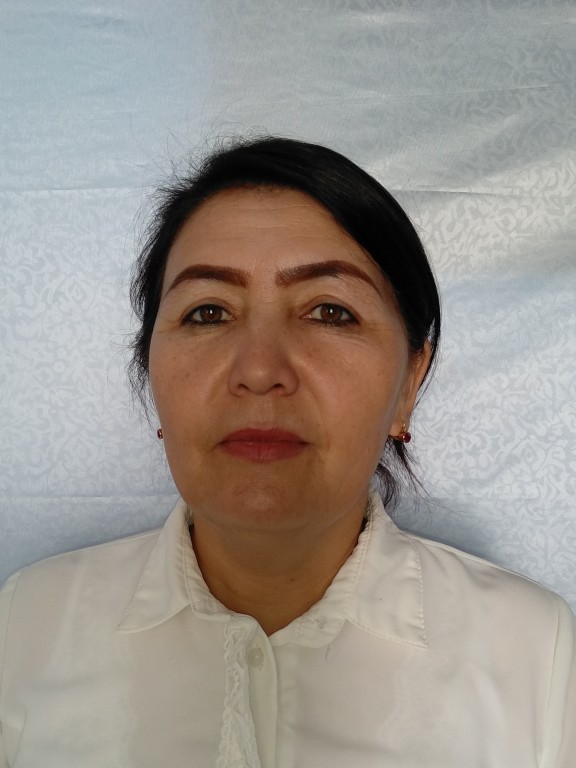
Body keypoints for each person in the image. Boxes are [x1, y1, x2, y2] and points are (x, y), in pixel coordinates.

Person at [0, 137, 574, 768]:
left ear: (409, 385)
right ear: (151, 375)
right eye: (208, 312)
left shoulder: (537, 654)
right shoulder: (28, 623)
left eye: (329, 312)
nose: (259, 370)